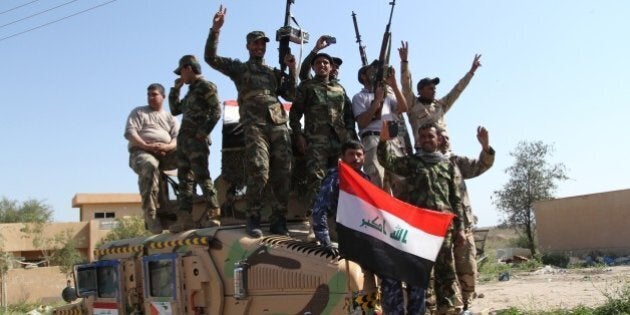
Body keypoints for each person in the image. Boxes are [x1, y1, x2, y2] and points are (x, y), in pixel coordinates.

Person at [204, 5, 297, 238]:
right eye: (255, 43)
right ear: (248, 46)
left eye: (262, 44)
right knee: (259, 169)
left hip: (277, 123)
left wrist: (292, 70)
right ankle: (253, 215)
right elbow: (211, 58)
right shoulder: (239, 68)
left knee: (284, 171)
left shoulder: (273, 72)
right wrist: (215, 30)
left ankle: (279, 219)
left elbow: (292, 95)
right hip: (254, 125)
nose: (259, 47)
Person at [377, 122, 465, 315]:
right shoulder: (412, 162)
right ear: (418, 140)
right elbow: (387, 161)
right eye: (423, 136)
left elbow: (456, 199)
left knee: (446, 272)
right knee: (421, 273)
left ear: (438, 139)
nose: (426, 139)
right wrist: (383, 140)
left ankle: (448, 309)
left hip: (444, 228)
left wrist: (461, 228)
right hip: (420, 228)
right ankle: (428, 310)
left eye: (430, 136)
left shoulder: (447, 165)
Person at [310, 140, 379, 310]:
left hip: (362, 237)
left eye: (359, 154)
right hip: (342, 234)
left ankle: (369, 309)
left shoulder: (365, 179)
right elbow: (319, 211)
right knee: (353, 283)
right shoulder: (335, 178)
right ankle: (358, 310)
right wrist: (325, 242)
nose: (356, 158)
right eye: (351, 154)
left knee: (369, 281)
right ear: (342, 157)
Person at [289, 52, 357, 205]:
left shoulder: (339, 89)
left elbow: (348, 115)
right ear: (313, 67)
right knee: (317, 179)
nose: (322, 65)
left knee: (341, 179)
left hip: (340, 142)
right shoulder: (307, 86)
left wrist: (351, 137)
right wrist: (298, 136)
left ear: (331, 67)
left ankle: (339, 221)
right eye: (318, 63)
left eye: (326, 62)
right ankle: (317, 220)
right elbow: (294, 114)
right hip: (315, 141)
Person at [440, 126, 495, 311]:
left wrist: (485, 146)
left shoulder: (457, 162)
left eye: (447, 137)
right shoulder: (424, 164)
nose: (445, 140)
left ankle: (467, 306)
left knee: (468, 270)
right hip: (440, 229)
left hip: (463, 227)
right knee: (447, 274)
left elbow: (481, 166)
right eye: (441, 137)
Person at [168, 55, 222, 233]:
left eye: (181, 72)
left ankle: (214, 214)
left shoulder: (205, 86)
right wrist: (175, 90)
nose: (181, 76)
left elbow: (216, 110)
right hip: (184, 141)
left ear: (189, 68)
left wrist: (203, 132)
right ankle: (185, 218)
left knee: (202, 176)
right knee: (184, 180)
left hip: (197, 141)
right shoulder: (191, 91)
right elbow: (175, 110)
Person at [399, 41, 481, 150]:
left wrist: (471, 72)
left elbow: (458, 90)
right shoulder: (412, 104)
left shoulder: (440, 105)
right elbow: (406, 84)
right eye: (430, 88)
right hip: (423, 154)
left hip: (444, 152)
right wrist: (404, 62)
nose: (434, 91)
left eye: (435, 88)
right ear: (420, 90)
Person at [124, 83, 178, 234]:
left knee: (189, 155)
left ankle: (187, 204)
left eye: (154, 94)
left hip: (165, 152)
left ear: (163, 96)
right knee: (150, 164)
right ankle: (151, 215)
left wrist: (167, 147)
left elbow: (177, 138)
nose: (151, 97)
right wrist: (147, 146)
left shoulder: (170, 117)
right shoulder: (139, 112)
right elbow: (130, 133)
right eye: (149, 95)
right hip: (141, 152)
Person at [351, 62, 409, 197]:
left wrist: (393, 85)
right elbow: (363, 121)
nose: (375, 73)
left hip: (392, 141)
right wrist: (377, 100)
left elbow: (404, 108)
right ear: (363, 76)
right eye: (371, 71)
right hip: (373, 140)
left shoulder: (388, 95)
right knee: (377, 183)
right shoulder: (359, 97)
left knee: (401, 183)